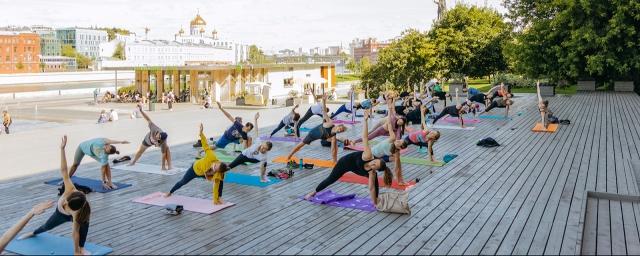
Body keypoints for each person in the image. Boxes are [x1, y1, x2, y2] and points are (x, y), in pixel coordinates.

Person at [20, 136, 92, 255]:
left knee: (84, 225)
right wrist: (62, 149)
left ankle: (82, 248)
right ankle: (33, 233)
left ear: (73, 209)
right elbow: (64, 171)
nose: (63, 202)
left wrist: (76, 252)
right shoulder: (70, 188)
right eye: (65, 201)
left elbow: (75, 233)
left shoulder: (78, 213)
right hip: (60, 214)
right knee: (47, 226)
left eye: (66, 205)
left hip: (77, 216)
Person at [304, 110, 392, 205]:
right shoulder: (368, 156)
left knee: (375, 183)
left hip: (357, 169)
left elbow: (371, 188)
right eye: (375, 161)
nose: (373, 163)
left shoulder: (372, 172)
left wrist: (374, 203)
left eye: (375, 165)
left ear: (375, 169)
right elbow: (365, 137)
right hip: (345, 163)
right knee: (331, 179)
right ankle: (313, 192)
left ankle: (376, 200)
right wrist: (365, 121)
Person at [166, 123, 229, 205]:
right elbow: (205, 145)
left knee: (220, 181)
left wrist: (215, 201)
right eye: (216, 166)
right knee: (183, 182)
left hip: (204, 173)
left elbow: (215, 186)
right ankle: (170, 192)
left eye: (216, 169)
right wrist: (201, 133)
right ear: (218, 162)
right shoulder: (211, 156)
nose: (215, 167)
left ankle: (219, 198)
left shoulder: (218, 173)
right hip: (194, 170)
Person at [286, 94, 348, 163]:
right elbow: (324, 112)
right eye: (340, 128)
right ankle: (290, 155)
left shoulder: (333, 135)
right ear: (338, 126)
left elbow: (333, 149)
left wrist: (334, 162)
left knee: (334, 144)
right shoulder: (330, 123)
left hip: (323, 136)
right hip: (312, 134)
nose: (339, 130)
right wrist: (324, 101)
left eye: (341, 131)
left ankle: (334, 160)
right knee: (300, 145)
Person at [227, 113, 273, 182]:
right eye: (263, 147)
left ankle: (263, 177)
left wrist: (261, 178)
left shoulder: (264, 156)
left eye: (265, 149)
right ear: (262, 144)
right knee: (230, 166)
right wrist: (255, 119)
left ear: (267, 150)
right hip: (244, 155)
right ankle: (215, 172)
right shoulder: (258, 142)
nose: (262, 149)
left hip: (253, 159)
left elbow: (261, 167)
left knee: (264, 164)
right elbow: (256, 131)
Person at [128, 104, 172, 170]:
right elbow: (147, 119)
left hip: (158, 143)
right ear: (158, 133)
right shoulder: (154, 128)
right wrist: (141, 110)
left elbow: (163, 155)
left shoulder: (163, 142)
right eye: (158, 136)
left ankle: (169, 165)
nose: (157, 138)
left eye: (159, 139)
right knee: (140, 151)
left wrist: (163, 166)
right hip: (148, 140)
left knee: (166, 149)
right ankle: (133, 162)